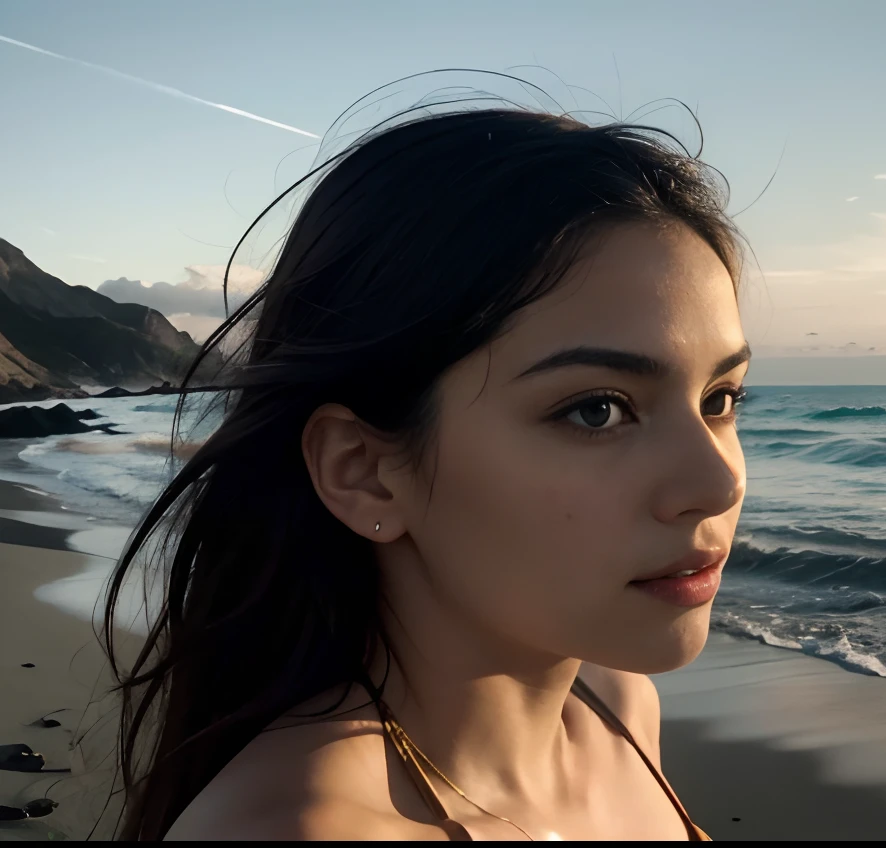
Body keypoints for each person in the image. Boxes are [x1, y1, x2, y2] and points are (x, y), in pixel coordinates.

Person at [99, 98, 750, 840]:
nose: (718, 482)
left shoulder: (616, 708)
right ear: (365, 470)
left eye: (720, 398)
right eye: (596, 410)